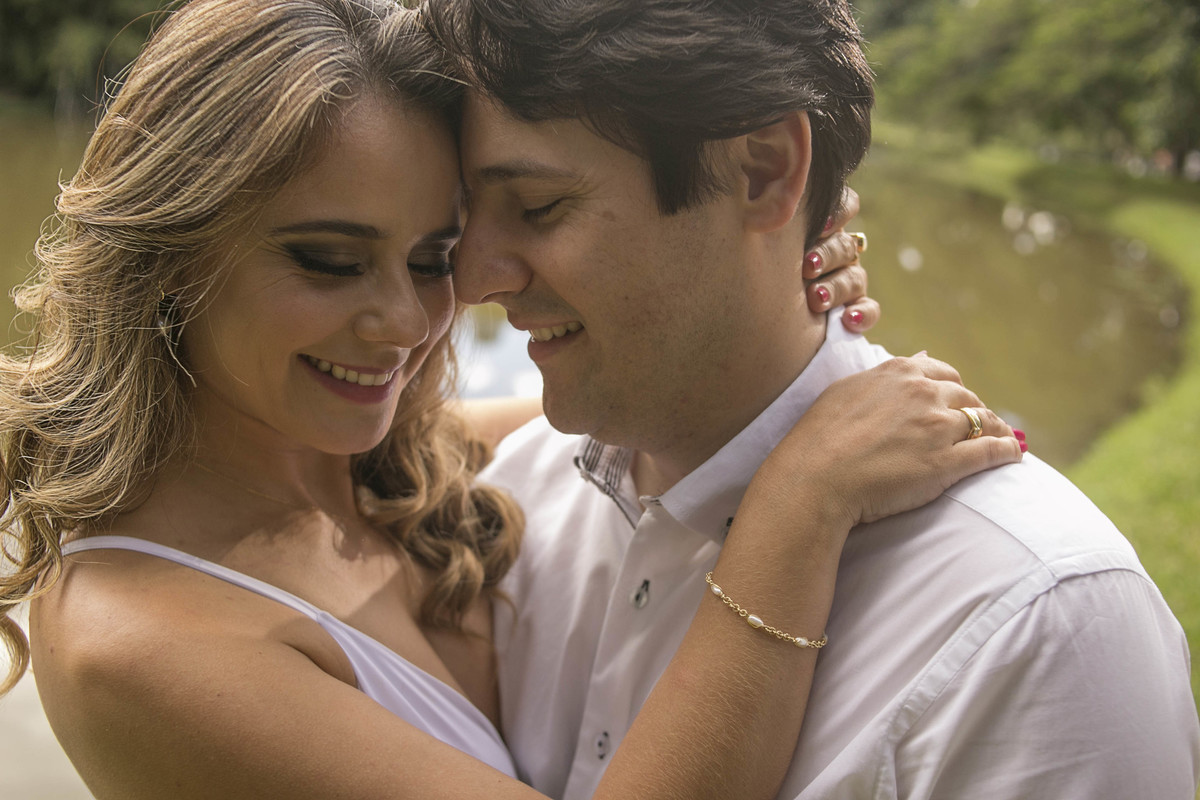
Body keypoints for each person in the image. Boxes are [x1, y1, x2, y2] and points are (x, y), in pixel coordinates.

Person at [0, 0, 1024, 798]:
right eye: (327, 260)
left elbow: (666, 401)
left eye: (433, 255)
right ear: (170, 254)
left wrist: (758, 259)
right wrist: (800, 504)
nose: (406, 319)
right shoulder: (133, 635)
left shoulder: (371, 462)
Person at [425, 0, 1200, 797]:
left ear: (763, 171)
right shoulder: (505, 507)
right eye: (459, 217)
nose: (473, 279)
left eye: (539, 207)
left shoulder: (1036, 626)